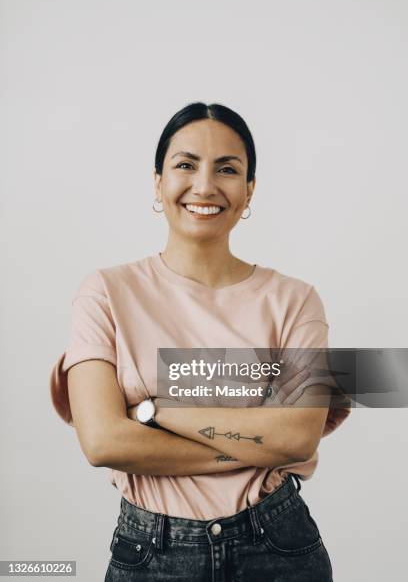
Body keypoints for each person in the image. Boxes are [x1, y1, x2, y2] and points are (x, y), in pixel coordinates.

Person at [49, 102, 352, 581]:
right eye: (185, 164)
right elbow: (103, 441)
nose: (205, 185)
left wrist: (155, 413)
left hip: (277, 545)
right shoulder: (105, 292)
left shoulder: (296, 301)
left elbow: (296, 436)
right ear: (157, 181)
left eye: (227, 169)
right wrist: (258, 443)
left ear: (249, 190)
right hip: (151, 551)